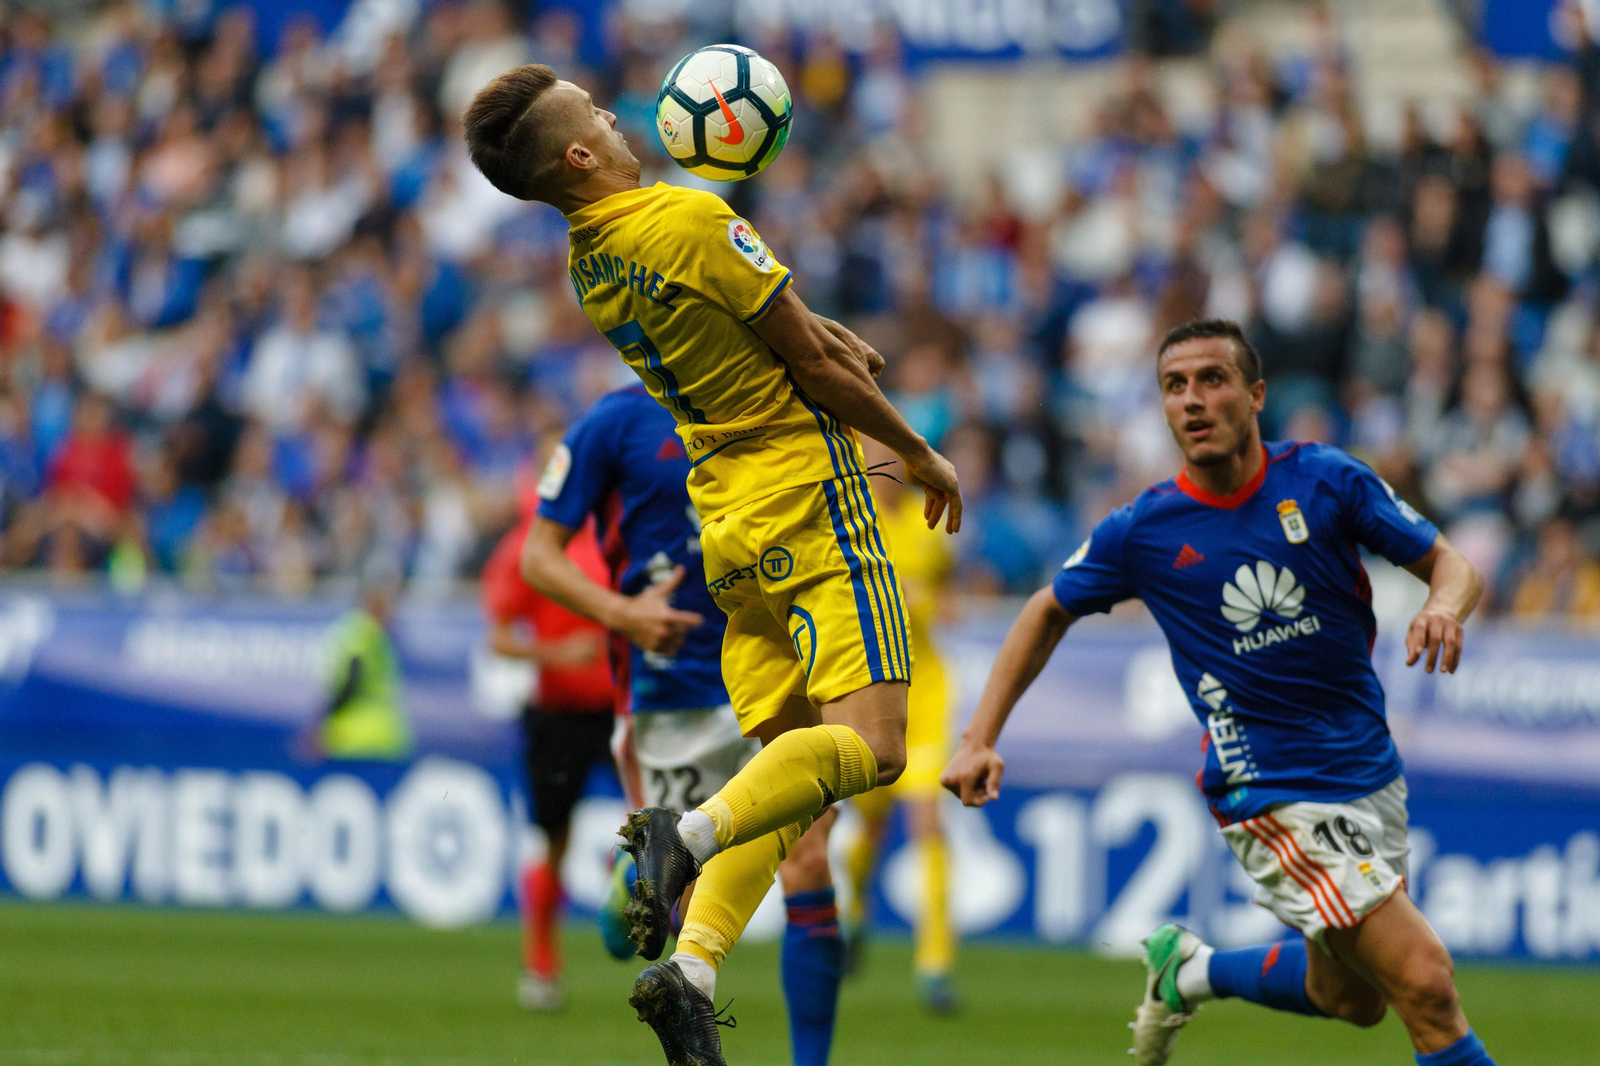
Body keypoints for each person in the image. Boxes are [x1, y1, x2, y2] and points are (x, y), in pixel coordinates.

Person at [463, 64, 962, 1066]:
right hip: (808, 500)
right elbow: (810, 369)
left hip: (728, 530)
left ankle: (689, 968)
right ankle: (682, 837)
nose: (614, 113)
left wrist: (818, 334)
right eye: (595, 111)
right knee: (873, 750)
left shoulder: (590, 259)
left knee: (796, 784)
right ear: (577, 154)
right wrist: (914, 449)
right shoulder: (689, 221)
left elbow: (767, 338)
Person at [942, 319, 1496, 1066]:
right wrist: (979, 736)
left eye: (1212, 380)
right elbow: (1045, 609)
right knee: (1427, 983)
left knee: (1355, 999)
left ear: (1256, 394)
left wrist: (1440, 608)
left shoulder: (1327, 480)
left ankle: (1190, 972)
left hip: (1367, 771)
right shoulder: (1145, 529)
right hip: (1267, 786)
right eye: (1175, 387)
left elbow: (1452, 565)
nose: (1193, 401)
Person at [522, 384, 847, 1066]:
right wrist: (624, 613)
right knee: (682, 906)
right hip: (676, 689)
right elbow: (538, 557)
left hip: (779, 661)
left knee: (812, 849)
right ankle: (635, 881)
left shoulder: (767, 391)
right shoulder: (616, 421)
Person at [481, 506, 614, 1011]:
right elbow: (497, 638)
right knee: (554, 838)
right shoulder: (524, 548)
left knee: (658, 818)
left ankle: (642, 905)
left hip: (621, 706)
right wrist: (558, 655)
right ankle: (541, 958)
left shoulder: (612, 536)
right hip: (557, 714)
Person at [842, 441, 958, 1014]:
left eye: (888, 464)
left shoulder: (925, 523)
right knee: (868, 828)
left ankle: (935, 963)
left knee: (928, 824)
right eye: (871, 464)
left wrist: (923, 603)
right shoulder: (848, 524)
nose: (880, 474)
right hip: (873, 697)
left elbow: (948, 594)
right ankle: (854, 913)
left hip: (927, 697)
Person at [319, 564, 412, 760]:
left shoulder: (372, 634)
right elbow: (354, 675)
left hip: (359, 739)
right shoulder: (364, 631)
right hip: (366, 739)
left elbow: (351, 680)